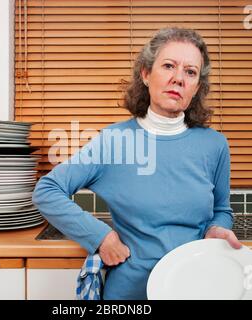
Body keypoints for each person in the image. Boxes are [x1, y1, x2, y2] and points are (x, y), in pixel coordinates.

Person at [32, 27, 242, 300]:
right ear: (145, 74)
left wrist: (216, 228)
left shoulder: (214, 145)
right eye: (168, 66)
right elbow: (47, 190)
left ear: (197, 87)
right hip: (131, 292)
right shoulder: (113, 141)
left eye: (190, 72)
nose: (178, 78)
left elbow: (221, 209)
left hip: (196, 286)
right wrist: (101, 237)